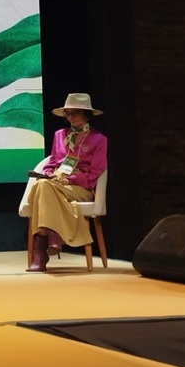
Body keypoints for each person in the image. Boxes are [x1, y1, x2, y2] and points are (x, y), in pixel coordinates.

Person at [26, 93, 107, 272]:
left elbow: (95, 173)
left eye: (75, 113)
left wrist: (70, 178)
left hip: (80, 187)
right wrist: (49, 174)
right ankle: (52, 236)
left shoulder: (98, 139)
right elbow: (53, 163)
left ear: (87, 114)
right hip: (56, 183)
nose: (70, 117)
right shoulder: (59, 135)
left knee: (43, 188)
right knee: (42, 184)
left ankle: (41, 252)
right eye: (67, 114)